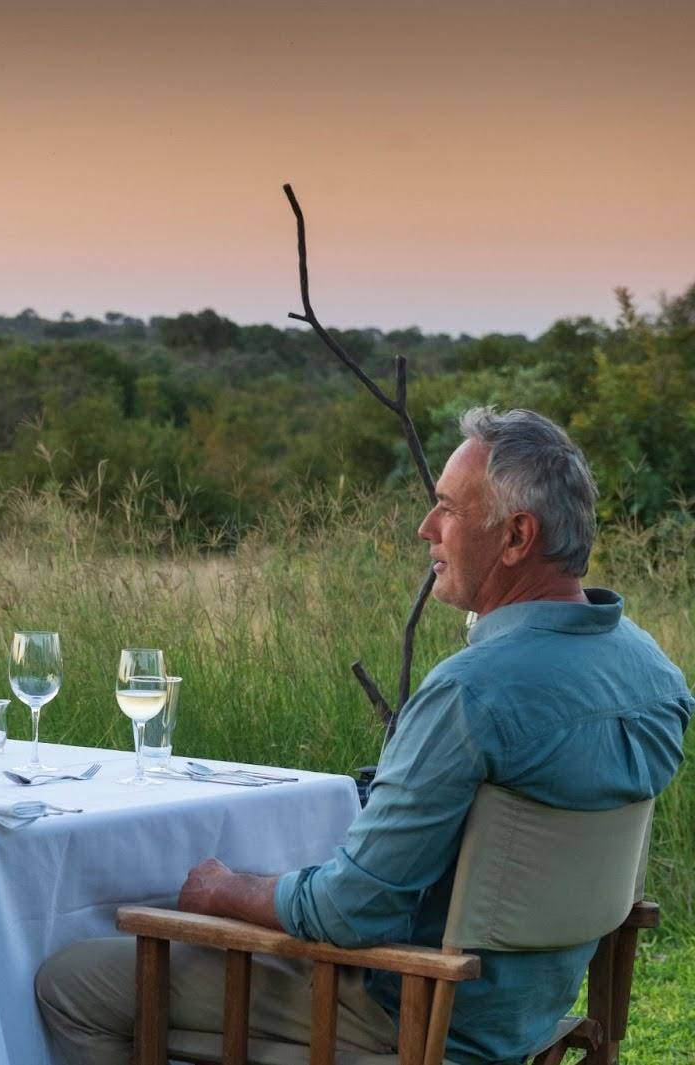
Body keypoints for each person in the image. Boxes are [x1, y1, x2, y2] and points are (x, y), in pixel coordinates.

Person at [36, 408, 690, 1064]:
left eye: (447, 509)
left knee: (74, 981)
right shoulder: (653, 673)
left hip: (414, 1015)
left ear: (517, 536)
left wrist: (223, 890)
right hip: (525, 1013)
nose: (425, 528)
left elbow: (352, 912)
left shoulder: (472, 692)